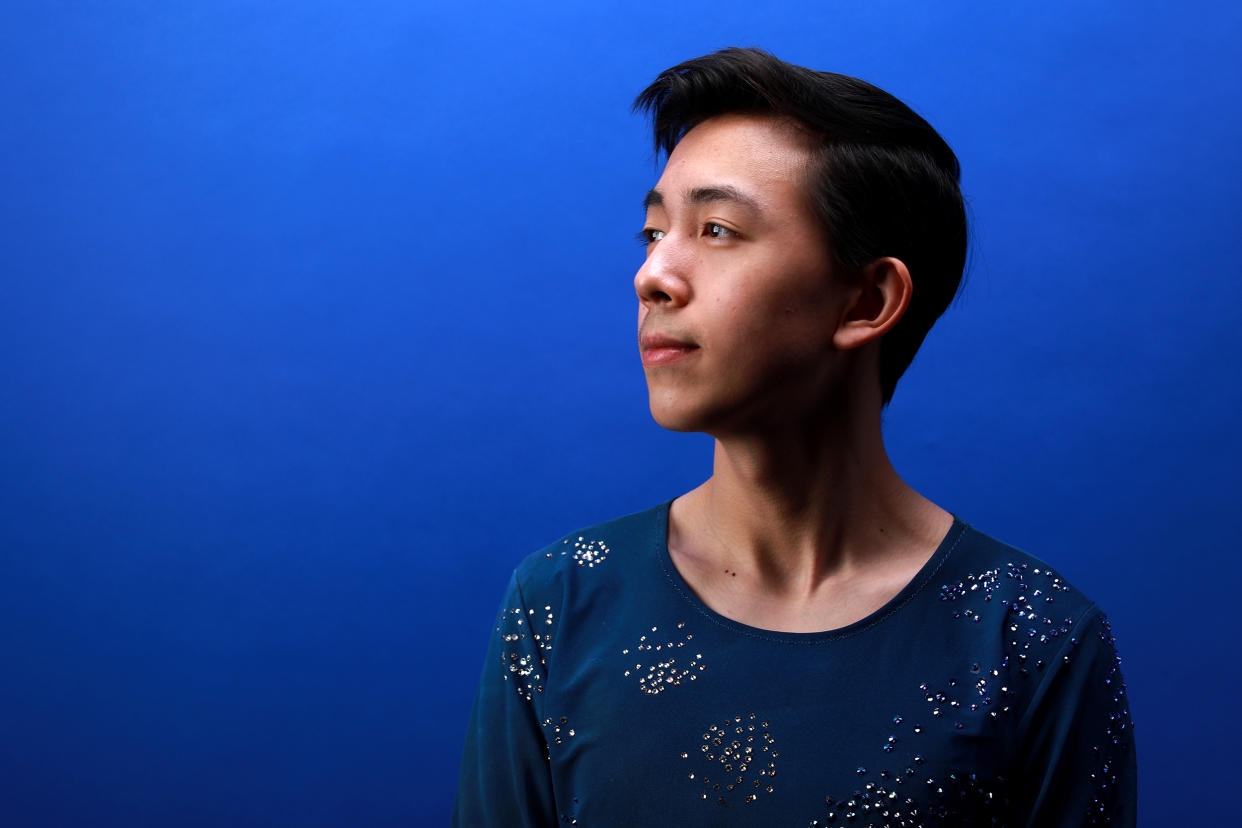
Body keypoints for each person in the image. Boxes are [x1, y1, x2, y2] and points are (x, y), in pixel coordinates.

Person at [453, 47, 1136, 827]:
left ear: (868, 300)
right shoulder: (562, 601)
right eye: (652, 232)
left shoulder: (1030, 639)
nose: (654, 275)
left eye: (716, 229)